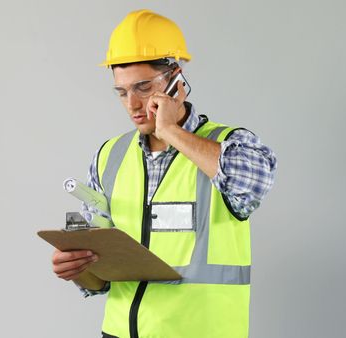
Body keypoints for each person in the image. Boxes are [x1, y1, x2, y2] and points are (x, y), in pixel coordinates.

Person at [51, 9, 277, 338]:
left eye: (143, 88)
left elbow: (252, 186)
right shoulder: (110, 156)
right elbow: (100, 280)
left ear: (176, 79)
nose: (132, 104)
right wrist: (78, 270)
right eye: (122, 92)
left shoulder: (230, 145)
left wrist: (170, 130)